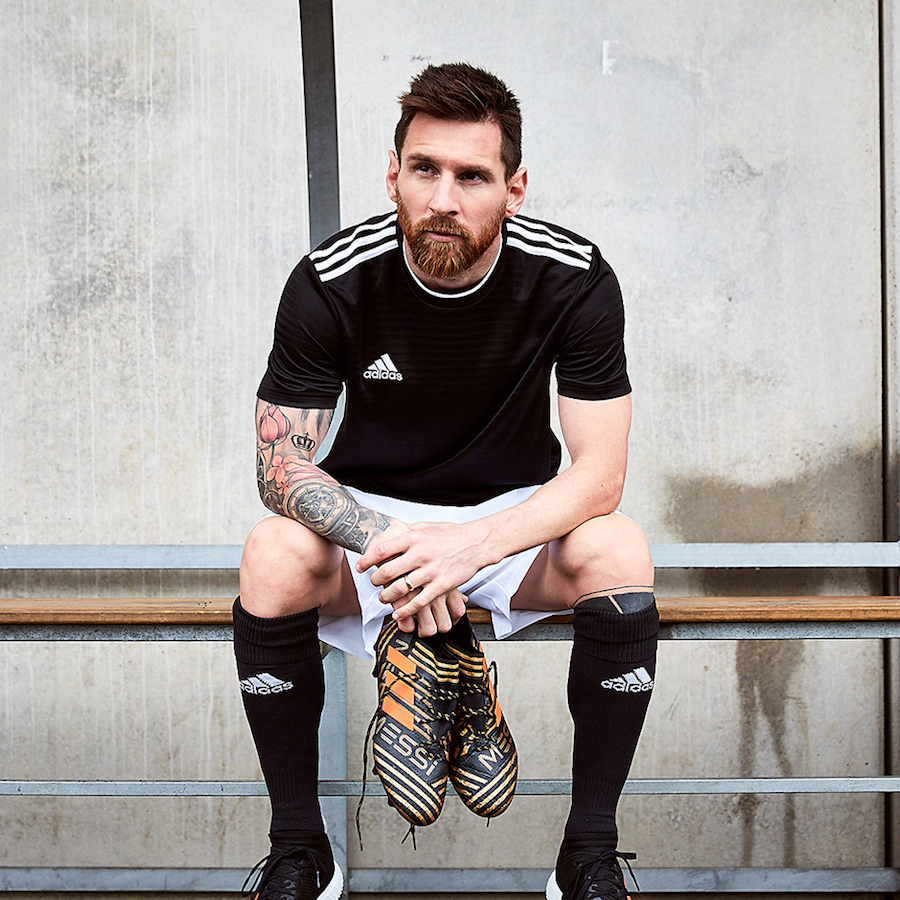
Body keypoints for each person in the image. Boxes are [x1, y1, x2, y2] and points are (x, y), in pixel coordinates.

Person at [234, 62, 657, 900]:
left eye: (472, 176)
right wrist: (400, 549)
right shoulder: (331, 279)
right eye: (424, 169)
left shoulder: (573, 277)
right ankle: (300, 853)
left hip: (508, 526)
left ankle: (588, 856)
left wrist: (467, 549)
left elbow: (600, 475)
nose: (442, 198)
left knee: (618, 548)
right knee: (272, 553)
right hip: (371, 529)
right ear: (393, 173)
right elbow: (280, 467)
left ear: (514, 188)